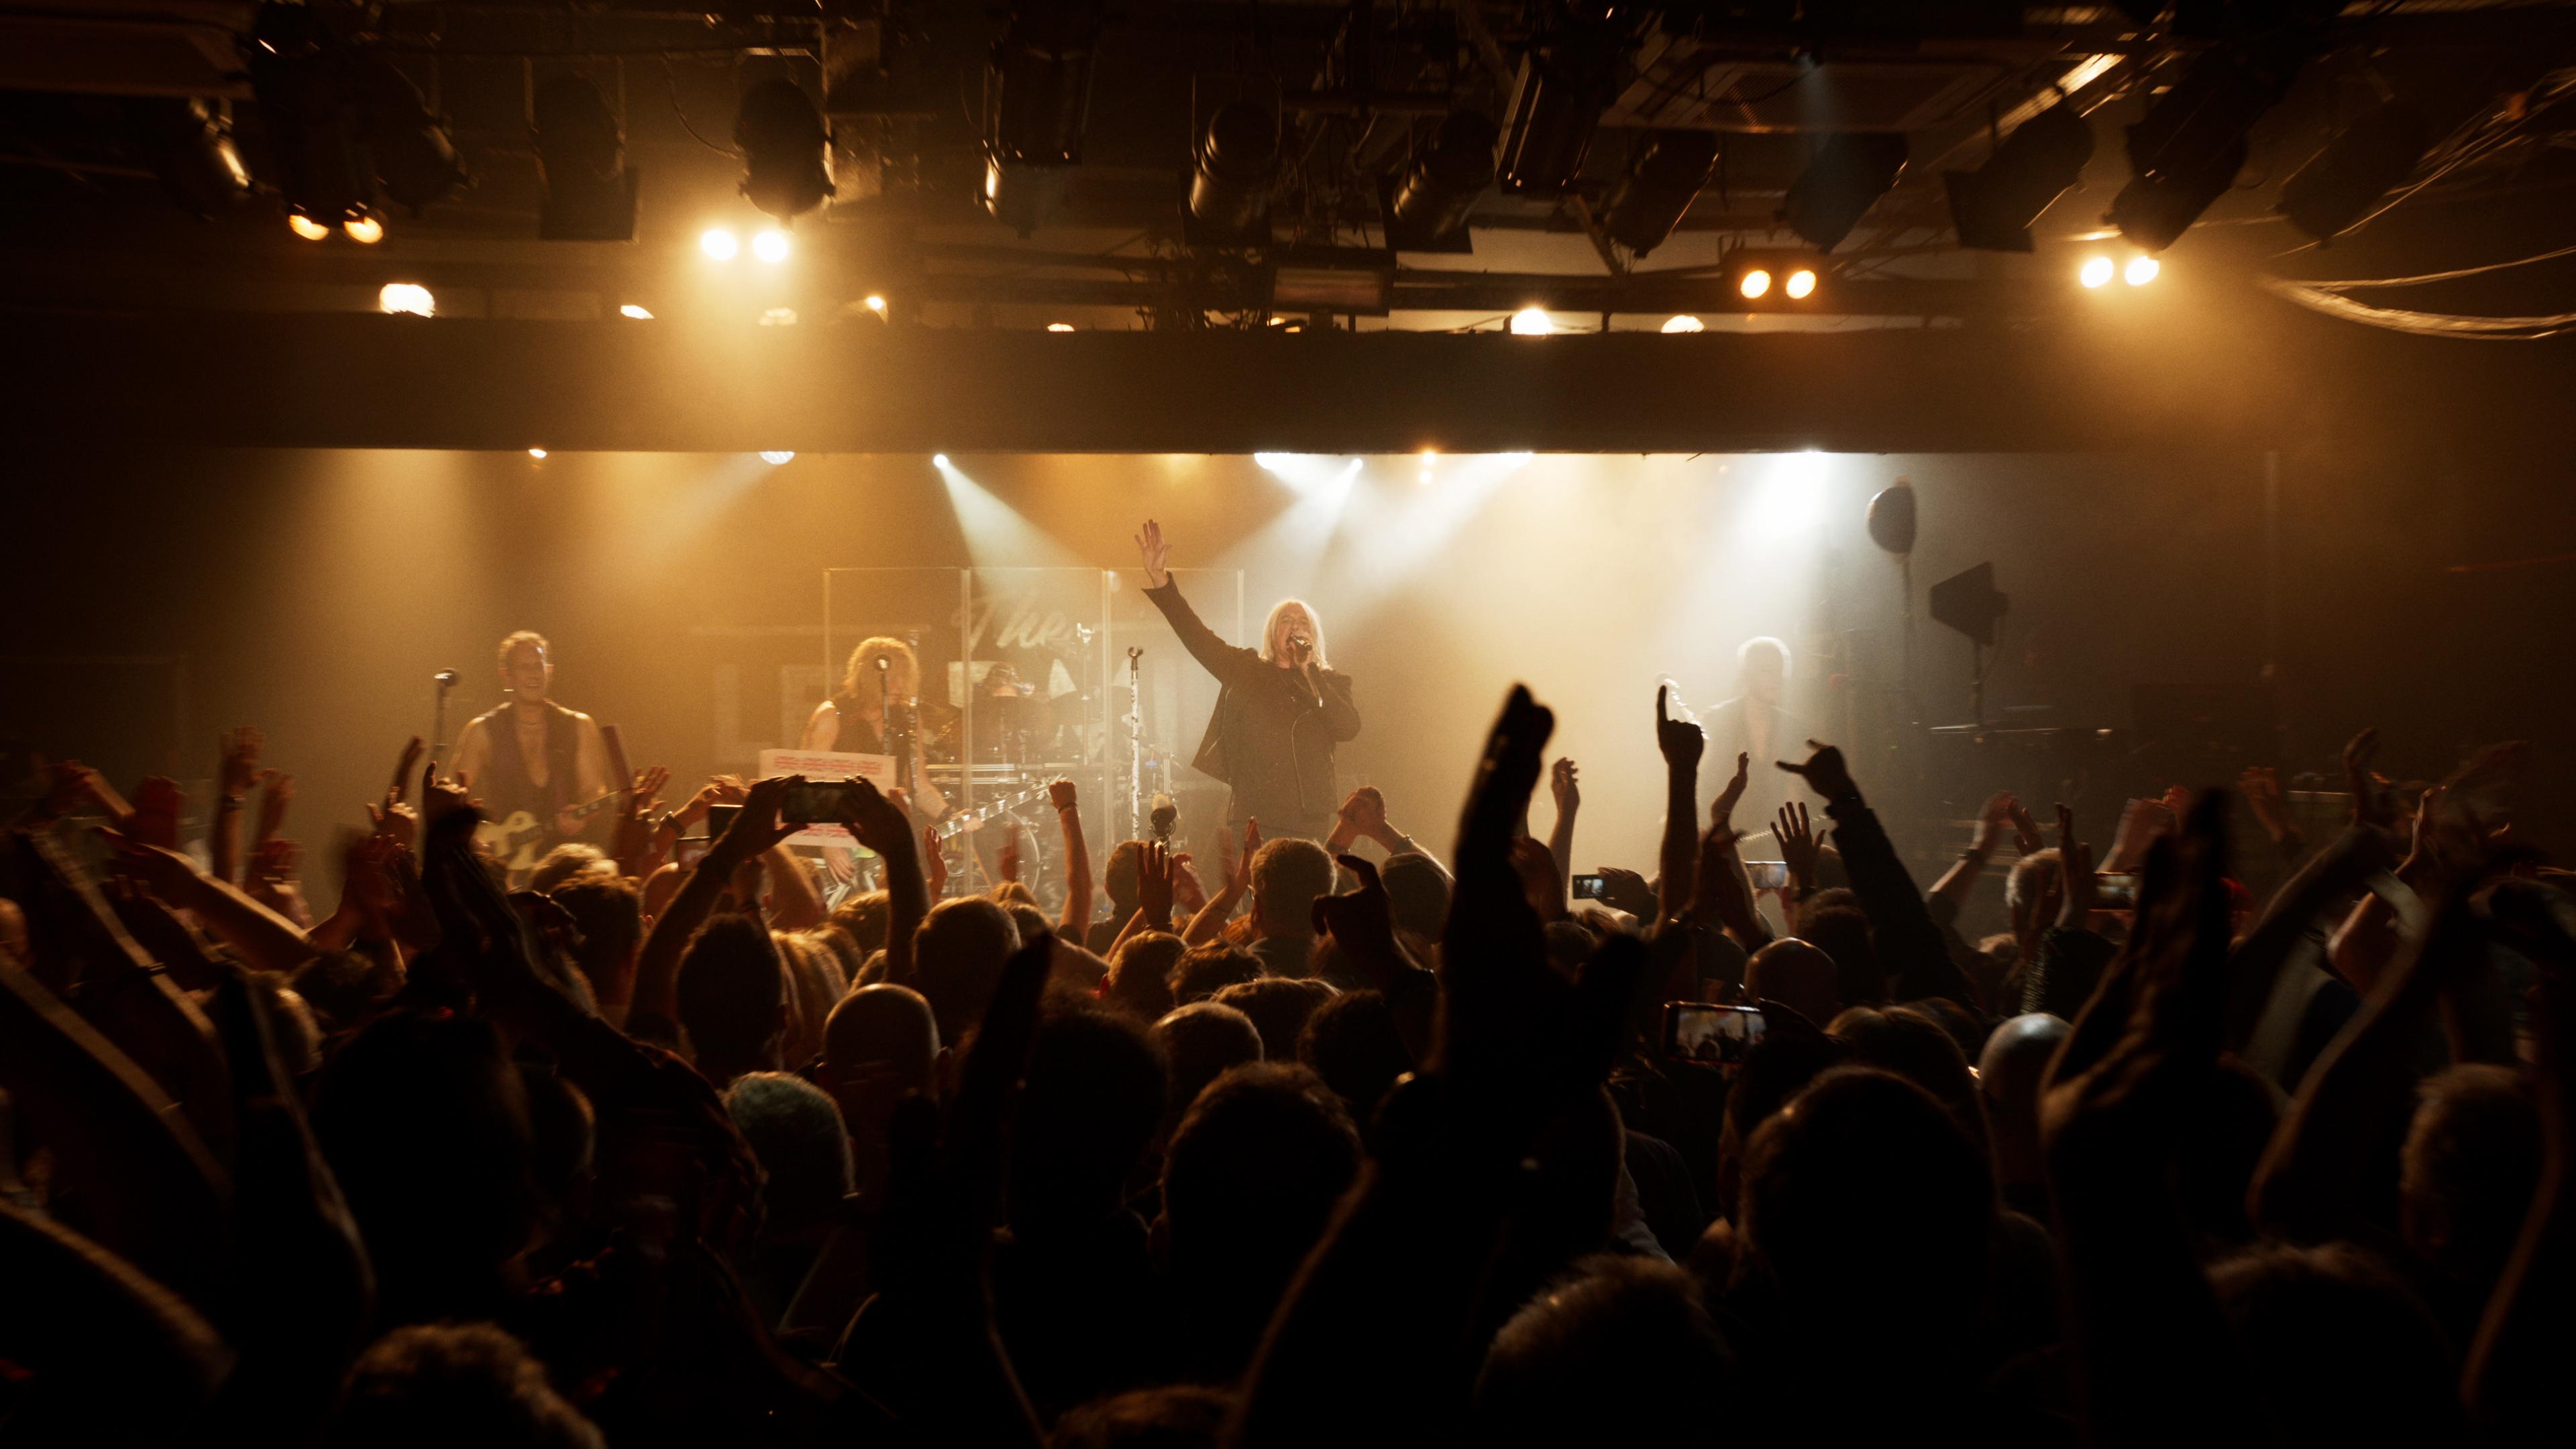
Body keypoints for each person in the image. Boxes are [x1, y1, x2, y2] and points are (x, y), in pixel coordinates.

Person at [1133, 519, 1359, 841]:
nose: (1295, 626)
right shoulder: (1246, 668)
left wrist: (1310, 672)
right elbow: (1197, 637)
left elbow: (1348, 727)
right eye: (1286, 620)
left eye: (1302, 622)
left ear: (1313, 635)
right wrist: (1161, 582)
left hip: (1307, 817)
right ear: (1273, 632)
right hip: (1254, 814)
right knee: (1255, 890)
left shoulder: (1331, 682)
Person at [449, 631, 616, 857]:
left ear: (550, 671)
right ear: (506, 676)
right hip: (505, 862)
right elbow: (450, 797)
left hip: (564, 858)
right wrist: (474, 835)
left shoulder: (578, 726)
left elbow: (594, 790)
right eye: (524, 668)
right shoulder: (482, 731)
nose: (533, 675)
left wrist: (582, 813)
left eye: (538, 666)